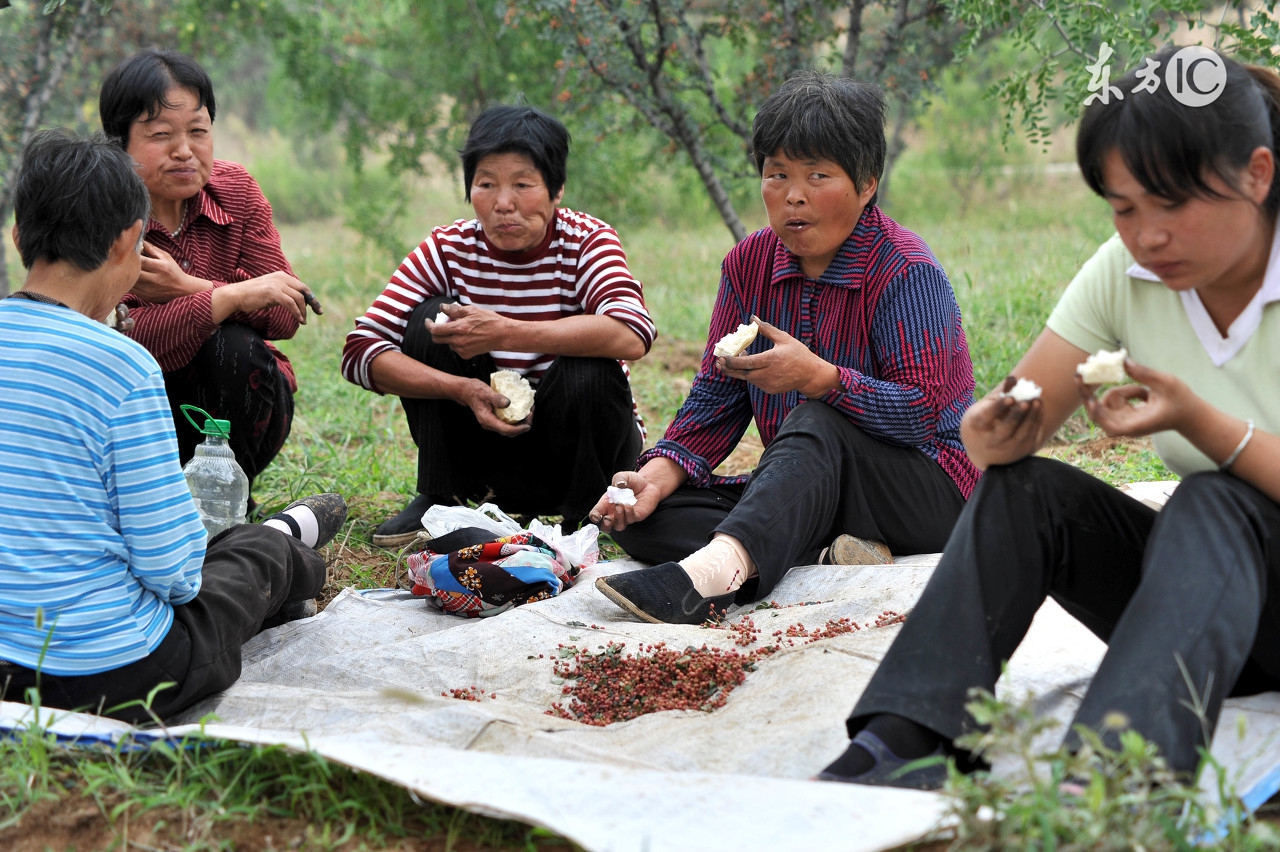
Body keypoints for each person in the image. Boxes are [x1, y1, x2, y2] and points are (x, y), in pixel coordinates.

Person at [817, 46, 1280, 790]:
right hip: (1215, 608)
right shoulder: (1125, 274)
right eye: (1124, 207)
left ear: (1256, 175)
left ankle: (1114, 776)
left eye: (1172, 203)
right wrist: (991, 432)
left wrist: (1198, 419)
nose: (1147, 235)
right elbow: (1016, 413)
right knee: (1027, 491)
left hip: (1254, 580)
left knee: (1213, 494)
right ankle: (905, 741)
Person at [589, 71, 979, 625]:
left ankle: (712, 576)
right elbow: (716, 397)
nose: (793, 195)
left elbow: (924, 415)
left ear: (867, 184)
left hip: (927, 487)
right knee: (653, 517)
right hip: (812, 485)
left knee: (814, 419)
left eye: (818, 175)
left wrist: (821, 379)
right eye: (777, 174)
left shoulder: (904, 269)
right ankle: (826, 554)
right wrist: (658, 473)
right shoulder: (748, 266)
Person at [0, 129, 347, 724]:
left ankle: (282, 536)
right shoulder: (123, 365)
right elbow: (175, 573)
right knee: (253, 554)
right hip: (113, 676)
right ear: (130, 243)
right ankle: (292, 550)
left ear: (18, 237)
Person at [342, 104, 656, 547]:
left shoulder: (588, 240)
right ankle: (440, 496)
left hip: (580, 458)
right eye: (486, 184)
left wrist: (506, 331)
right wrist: (461, 390)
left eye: (523, 185)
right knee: (426, 321)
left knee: (591, 366)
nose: (503, 204)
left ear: (557, 189)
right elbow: (360, 351)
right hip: (485, 455)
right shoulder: (448, 247)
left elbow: (633, 332)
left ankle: (585, 515)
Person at [99, 49, 320, 508]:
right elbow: (133, 343)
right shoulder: (104, 219)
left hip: (247, 410)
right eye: (161, 135)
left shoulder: (235, 190)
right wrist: (237, 294)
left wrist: (187, 288)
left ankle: (231, 498)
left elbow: (286, 315)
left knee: (235, 346)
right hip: (145, 418)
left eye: (198, 131)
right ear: (119, 142)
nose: (184, 151)